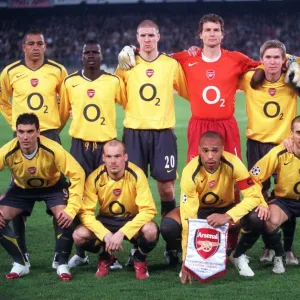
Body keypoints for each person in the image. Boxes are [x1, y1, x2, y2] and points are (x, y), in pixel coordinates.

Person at [115, 19, 188, 264]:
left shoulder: (170, 64)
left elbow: (188, 90)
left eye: (151, 35)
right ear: (137, 38)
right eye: (143, 35)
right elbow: (119, 96)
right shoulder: (126, 64)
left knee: (166, 188)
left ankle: (172, 244)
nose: (147, 39)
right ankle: (138, 246)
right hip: (134, 133)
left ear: (159, 36)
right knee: (134, 189)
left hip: (163, 133)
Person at [159, 131, 268, 282]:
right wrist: (187, 259)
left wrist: (227, 216)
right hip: (200, 211)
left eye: (215, 151)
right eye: (205, 151)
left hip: (227, 209)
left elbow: (253, 196)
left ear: (222, 150)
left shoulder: (234, 163)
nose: (210, 156)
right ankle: (190, 258)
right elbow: (188, 217)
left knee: (257, 217)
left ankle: (237, 255)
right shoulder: (190, 173)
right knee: (168, 226)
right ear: (199, 151)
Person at [0, 29, 68, 268]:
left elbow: (66, 103)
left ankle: (60, 254)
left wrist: (54, 127)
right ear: (23, 47)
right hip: (23, 137)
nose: (36, 47)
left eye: (40, 43)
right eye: (31, 43)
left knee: (58, 191)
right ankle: (23, 252)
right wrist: (15, 122)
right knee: (20, 186)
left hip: (49, 134)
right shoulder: (9, 72)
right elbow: (2, 100)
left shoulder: (58, 70)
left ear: (45, 47)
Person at [59, 40, 126, 268]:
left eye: (94, 52)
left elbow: (129, 105)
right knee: (76, 198)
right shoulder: (70, 82)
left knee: (109, 199)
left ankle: (111, 254)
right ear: (81, 55)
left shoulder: (113, 81)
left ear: (101, 54)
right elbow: (61, 114)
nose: (90, 55)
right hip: (79, 146)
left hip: (106, 147)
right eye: (86, 52)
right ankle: (81, 253)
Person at [0, 113, 85, 280]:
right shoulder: (7, 151)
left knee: (66, 215)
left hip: (52, 187)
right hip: (22, 189)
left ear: (38, 132)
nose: (25, 137)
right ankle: (20, 263)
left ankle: (62, 263)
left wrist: (72, 208)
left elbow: (78, 174)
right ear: (16, 132)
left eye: (30, 131)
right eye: (21, 132)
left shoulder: (53, 149)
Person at [239, 40, 300, 265]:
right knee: (260, 195)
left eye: (277, 58)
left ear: (283, 60)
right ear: (261, 60)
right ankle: (268, 246)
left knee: (286, 195)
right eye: (268, 58)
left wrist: (292, 61)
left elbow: (295, 61)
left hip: (286, 146)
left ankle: (288, 249)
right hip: (256, 145)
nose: (272, 62)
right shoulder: (249, 79)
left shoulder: (292, 78)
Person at [72, 139, 158, 280]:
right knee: (79, 235)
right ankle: (106, 257)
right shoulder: (94, 177)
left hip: (131, 220)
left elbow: (148, 210)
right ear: (103, 158)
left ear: (125, 157)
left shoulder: (137, 174)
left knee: (151, 230)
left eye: (117, 156)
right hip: (106, 220)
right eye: (109, 156)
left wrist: (123, 232)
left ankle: (139, 258)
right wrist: (104, 234)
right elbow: (85, 212)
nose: (113, 161)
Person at [230, 116, 300, 276]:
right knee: (266, 218)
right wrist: (262, 202)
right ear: (291, 134)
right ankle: (280, 255)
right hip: (286, 202)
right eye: (299, 133)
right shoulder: (279, 152)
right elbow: (252, 178)